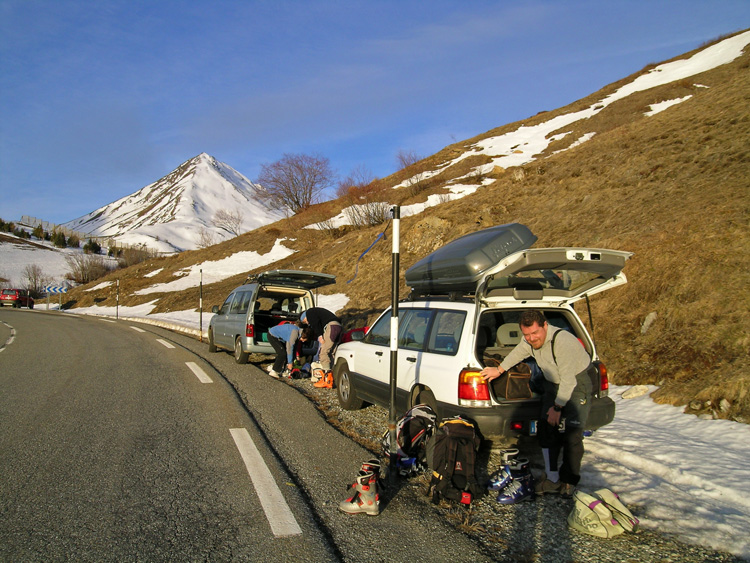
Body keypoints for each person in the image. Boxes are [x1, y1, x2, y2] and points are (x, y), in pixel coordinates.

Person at [480, 310, 593, 498]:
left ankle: (568, 482)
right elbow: (518, 353)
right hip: (552, 383)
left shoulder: (563, 341)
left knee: (573, 436)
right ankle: (552, 478)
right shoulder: (528, 341)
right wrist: (499, 370)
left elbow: (569, 382)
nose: (531, 338)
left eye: (535, 333)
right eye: (527, 335)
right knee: (547, 429)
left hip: (576, 384)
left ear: (545, 326)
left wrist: (557, 408)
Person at [299, 307, 342, 388]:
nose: (308, 323)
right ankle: (332, 379)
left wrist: (320, 336)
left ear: (304, 317)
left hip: (331, 327)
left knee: (323, 352)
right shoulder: (317, 312)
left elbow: (315, 324)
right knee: (332, 353)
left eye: (305, 321)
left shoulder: (309, 313)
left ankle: (326, 380)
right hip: (338, 327)